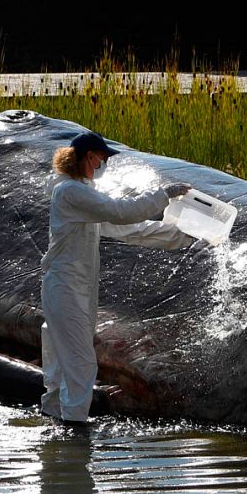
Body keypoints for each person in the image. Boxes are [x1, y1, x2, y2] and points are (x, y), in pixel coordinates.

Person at [41, 131, 193, 424]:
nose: (104, 163)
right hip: (65, 289)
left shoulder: (82, 196)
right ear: (89, 157)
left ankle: (55, 422)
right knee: (81, 362)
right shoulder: (70, 192)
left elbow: (125, 229)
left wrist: (180, 234)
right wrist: (164, 195)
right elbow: (120, 212)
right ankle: (74, 432)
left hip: (76, 289)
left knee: (63, 364)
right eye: (103, 157)